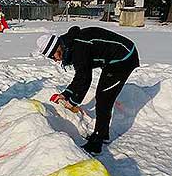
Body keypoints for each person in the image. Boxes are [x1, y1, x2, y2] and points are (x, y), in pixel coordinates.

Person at [36, 26, 140, 154]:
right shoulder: (70, 45)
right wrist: (66, 94)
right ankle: (103, 134)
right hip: (112, 59)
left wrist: (73, 101)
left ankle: (97, 142)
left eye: (53, 56)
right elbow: (81, 75)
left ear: (58, 47)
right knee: (103, 96)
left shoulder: (79, 48)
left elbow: (85, 78)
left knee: (103, 98)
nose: (56, 60)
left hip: (124, 58)